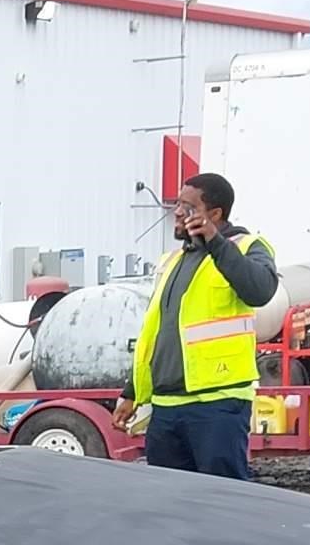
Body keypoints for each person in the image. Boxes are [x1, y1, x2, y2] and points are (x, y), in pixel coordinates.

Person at [112, 171, 278, 480]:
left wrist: (215, 242)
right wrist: (132, 391)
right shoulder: (174, 260)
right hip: (166, 406)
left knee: (221, 499)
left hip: (217, 404)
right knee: (169, 504)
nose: (176, 211)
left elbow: (260, 291)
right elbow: (157, 333)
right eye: (177, 203)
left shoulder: (245, 247)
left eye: (187, 206)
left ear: (214, 214)